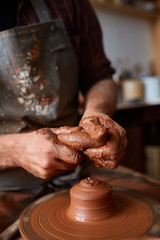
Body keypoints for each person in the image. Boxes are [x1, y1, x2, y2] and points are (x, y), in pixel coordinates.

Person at [0, 0, 127, 189]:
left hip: (77, 168)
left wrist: (96, 116)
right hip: (6, 183)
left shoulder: (70, 3)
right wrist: (16, 150)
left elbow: (100, 78)